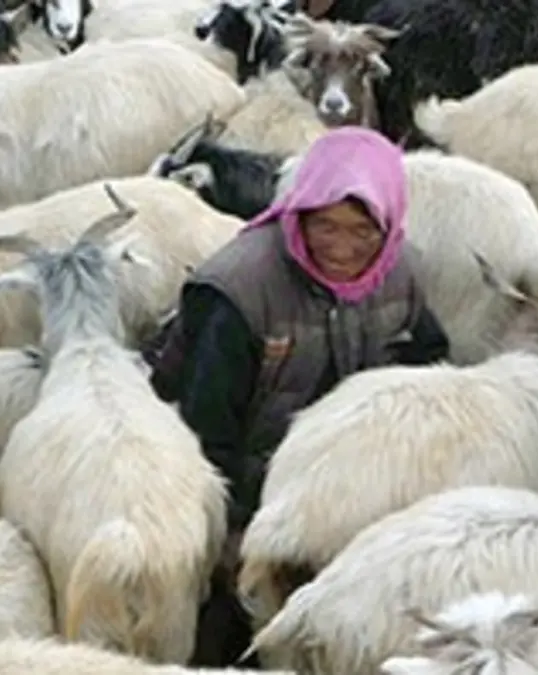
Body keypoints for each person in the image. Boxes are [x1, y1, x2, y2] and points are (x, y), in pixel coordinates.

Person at [145, 127, 449, 665]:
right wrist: (239, 532)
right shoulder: (237, 290)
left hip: (337, 481)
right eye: (324, 226)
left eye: (363, 231)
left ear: (390, 224)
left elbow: (428, 368)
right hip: (233, 480)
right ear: (298, 212)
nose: (342, 247)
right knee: (231, 622)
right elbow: (203, 429)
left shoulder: (400, 274)